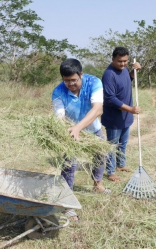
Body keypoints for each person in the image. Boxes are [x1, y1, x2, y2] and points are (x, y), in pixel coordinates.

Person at [52, 59, 111, 220]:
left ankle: (97, 184)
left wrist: (79, 127)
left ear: (81, 75)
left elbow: (98, 108)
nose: (70, 84)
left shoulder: (94, 82)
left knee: (101, 155)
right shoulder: (58, 92)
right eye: (66, 80)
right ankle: (67, 202)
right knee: (70, 164)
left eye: (74, 80)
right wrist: (70, 132)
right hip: (71, 132)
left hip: (93, 128)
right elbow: (60, 117)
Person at [101, 47, 141, 183]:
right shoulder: (109, 74)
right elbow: (110, 98)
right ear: (113, 59)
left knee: (123, 144)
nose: (123, 64)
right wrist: (130, 109)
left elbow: (126, 81)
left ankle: (121, 165)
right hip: (114, 118)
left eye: (125, 61)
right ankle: (111, 171)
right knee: (112, 146)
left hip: (126, 117)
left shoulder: (124, 71)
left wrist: (134, 72)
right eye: (119, 61)